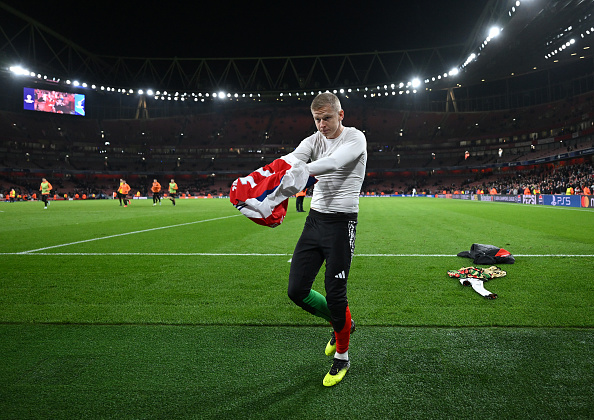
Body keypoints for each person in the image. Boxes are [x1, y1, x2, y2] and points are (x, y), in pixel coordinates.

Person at [283, 92, 367, 387]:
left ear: (341, 115)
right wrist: (264, 175)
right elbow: (290, 159)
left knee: (335, 294)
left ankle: (342, 358)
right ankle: (342, 323)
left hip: (342, 224)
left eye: (327, 118)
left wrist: (299, 171)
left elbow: (333, 162)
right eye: (317, 119)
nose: (321, 124)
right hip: (315, 221)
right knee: (297, 290)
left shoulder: (355, 138)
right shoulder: (313, 139)